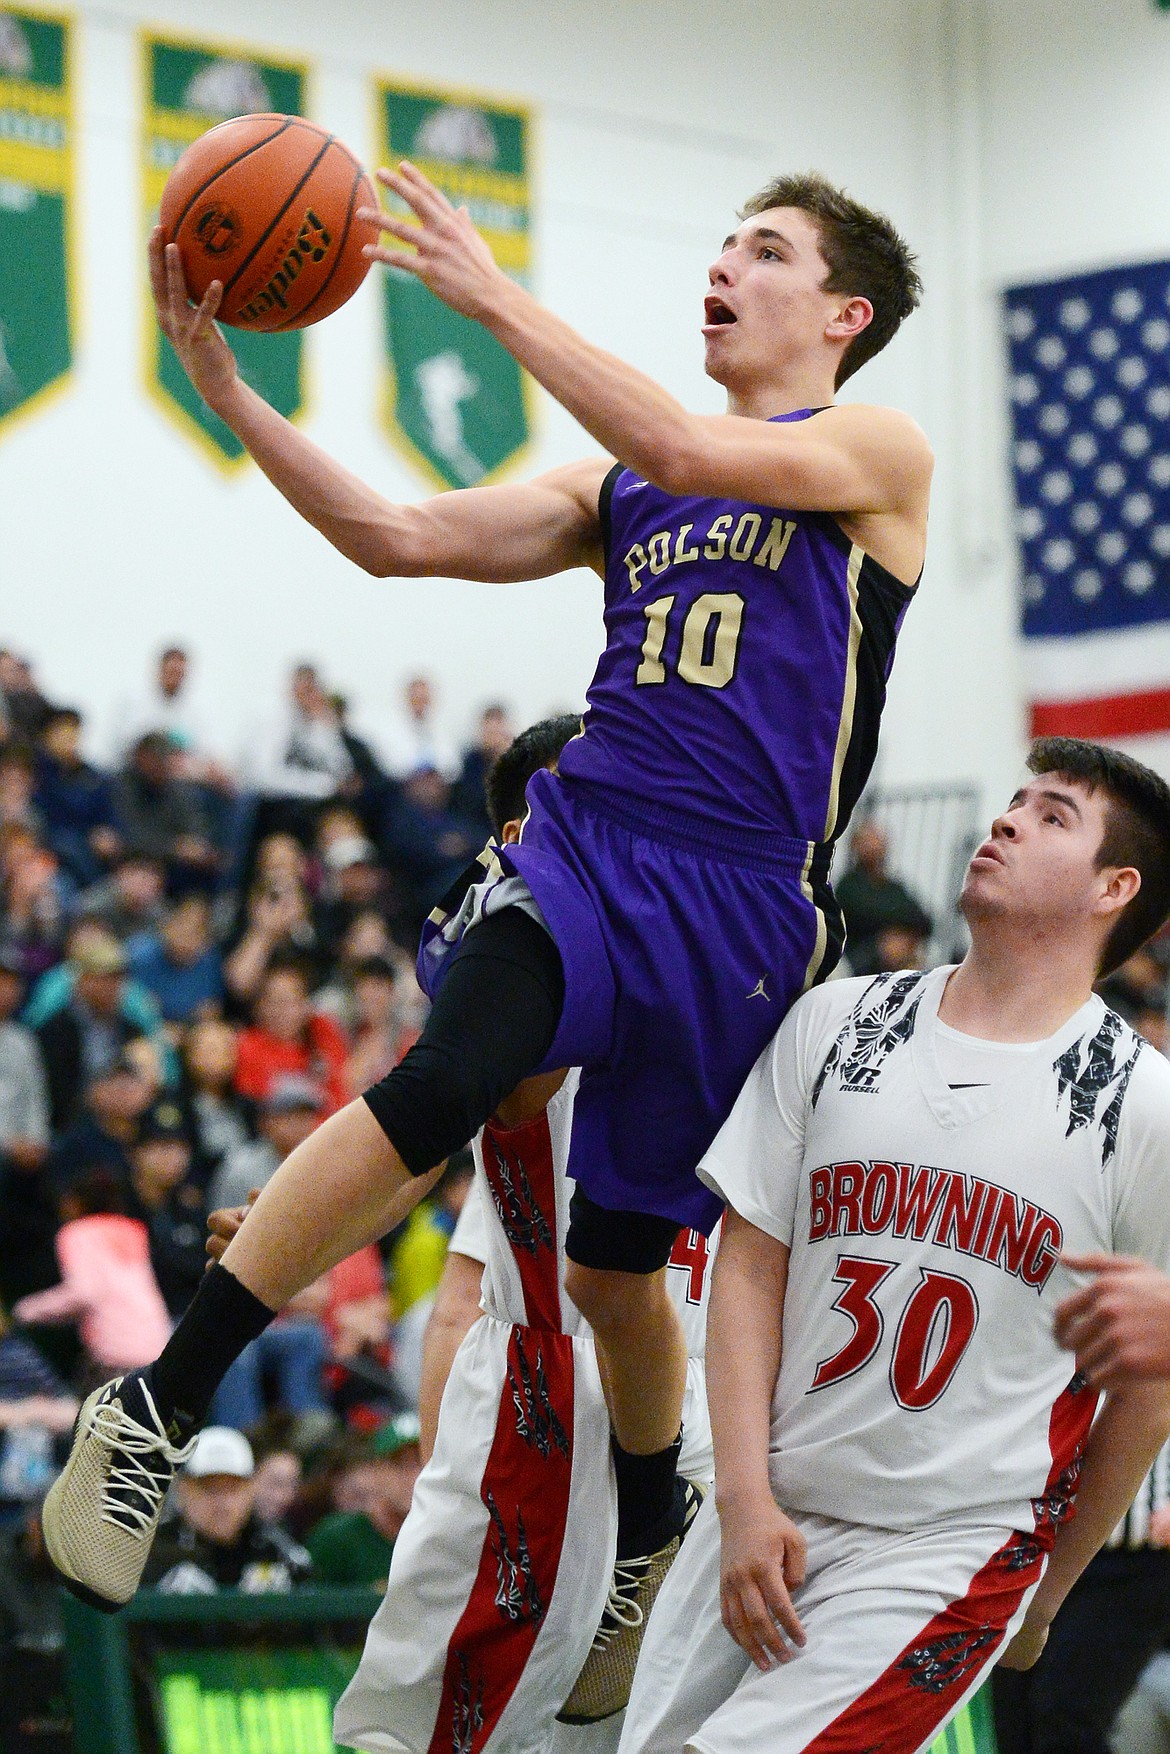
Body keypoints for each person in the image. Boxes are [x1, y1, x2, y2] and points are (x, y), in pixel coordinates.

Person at [45, 162, 932, 1643]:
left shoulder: (875, 449)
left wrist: (485, 292)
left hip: (743, 908)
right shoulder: (621, 484)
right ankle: (158, 1396)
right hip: (589, 839)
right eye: (719, 239)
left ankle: (650, 1521)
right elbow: (396, 535)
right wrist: (223, 388)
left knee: (614, 1263)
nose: (724, 263)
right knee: (446, 1075)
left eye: (762, 250)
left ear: (840, 313)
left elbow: (680, 439)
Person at [611, 736, 1170, 1754]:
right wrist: (741, 1496)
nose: (1005, 819)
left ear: (1114, 886)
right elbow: (749, 1260)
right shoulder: (835, 1018)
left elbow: (1147, 1386)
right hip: (766, 1508)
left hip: (948, 1543)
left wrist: (1052, 1584)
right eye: (1013, 799)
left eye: (1052, 816)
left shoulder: (1145, 1106)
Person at [142, 1425, 312, 1593]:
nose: (223, 1503)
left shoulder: (275, 1550)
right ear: (184, 1490)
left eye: (233, 1490)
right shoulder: (153, 1552)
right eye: (211, 1490)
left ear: (251, 1489)